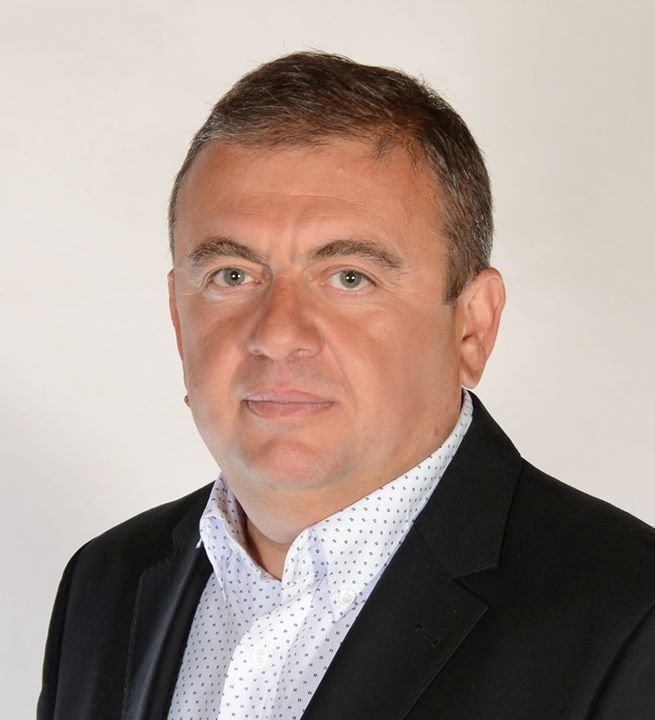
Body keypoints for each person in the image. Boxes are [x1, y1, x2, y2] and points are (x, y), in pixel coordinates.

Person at [38, 52, 655, 720]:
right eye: (232, 275)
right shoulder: (105, 584)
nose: (278, 334)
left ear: (471, 328)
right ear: (178, 319)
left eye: (349, 278)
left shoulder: (631, 616)